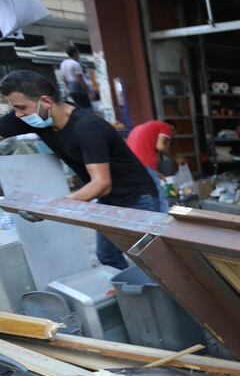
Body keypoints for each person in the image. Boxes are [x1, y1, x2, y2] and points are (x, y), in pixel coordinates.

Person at [0, 70, 158, 270]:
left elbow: (101, 184)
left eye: (21, 107)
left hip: (137, 197)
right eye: (15, 108)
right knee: (107, 256)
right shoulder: (34, 117)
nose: (18, 114)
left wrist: (50, 208)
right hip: (109, 199)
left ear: (46, 101)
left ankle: (159, 296)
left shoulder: (87, 127)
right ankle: (131, 291)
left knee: (150, 260)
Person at [127, 119, 181, 212]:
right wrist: (176, 158)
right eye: (171, 137)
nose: (169, 139)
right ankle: (164, 219)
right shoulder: (166, 127)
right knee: (159, 195)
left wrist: (157, 173)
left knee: (145, 195)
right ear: (172, 129)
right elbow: (160, 146)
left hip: (132, 165)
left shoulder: (139, 128)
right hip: (144, 164)